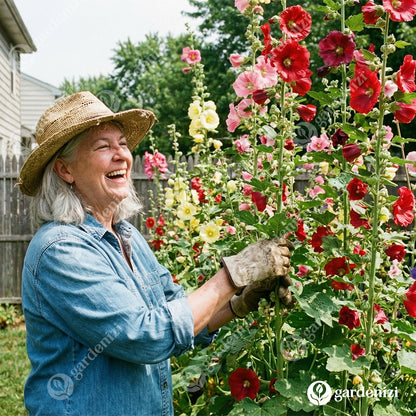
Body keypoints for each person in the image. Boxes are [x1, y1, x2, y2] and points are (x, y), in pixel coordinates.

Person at [19, 91, 293, 416]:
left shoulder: (127, 236)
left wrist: (239, 302)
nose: (121, 155)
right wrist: (235, 273)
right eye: (103, 147)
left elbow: (178, 313)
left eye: (122, 143)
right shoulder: (61, 249)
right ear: (66, 170)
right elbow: (145, 336)